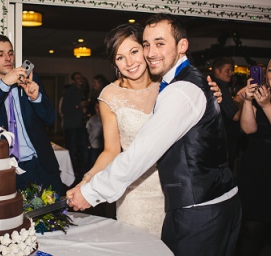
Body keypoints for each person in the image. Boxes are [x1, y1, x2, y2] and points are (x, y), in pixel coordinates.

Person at [67, 14, 240, 256]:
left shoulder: (176, 88)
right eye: (147, 45)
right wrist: (86, 181)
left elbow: (144, 151)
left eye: (139, 50)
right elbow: (112, 151)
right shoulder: (170, 83)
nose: (139, 57)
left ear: (181, 46)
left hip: (188, 201)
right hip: (141, 193)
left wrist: (91, 192)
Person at [0, 35, 63, 195]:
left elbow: (50, 119)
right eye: (0, 54)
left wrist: (36, 98)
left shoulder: (30, 80)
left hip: (43, 164)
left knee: (56, 216)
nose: (8, 58)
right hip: (10, 169)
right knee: (18, 218)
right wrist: (4, 84)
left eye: (10, 53)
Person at [235, 54, 271, 256]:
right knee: (251, 231)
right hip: (254, 170)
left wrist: (267, 106)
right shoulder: (260, 95)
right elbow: (248, 129)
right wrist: (248, 101)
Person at [211, 57, 242, 172]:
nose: (231, 73)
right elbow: (236, 116)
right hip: (225, 140)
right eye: (228, 70)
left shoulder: (219, 86)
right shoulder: (220, 87)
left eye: (231, 70)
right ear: (217, 71)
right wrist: (242, 100)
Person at [61, 71, 90, 179]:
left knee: (83, 150)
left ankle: (82, 173)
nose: (80, 79)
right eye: (77, 78)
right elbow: (64, 108)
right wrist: (78, 105)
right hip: (72, 126)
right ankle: (71, 174)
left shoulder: (82, 90)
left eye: (81, 77)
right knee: (72, 151)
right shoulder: (70, 91)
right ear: (73, 80)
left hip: (80, 125)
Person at [85, 102, 103, 172]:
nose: (98, 109)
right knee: (93, 164)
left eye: (99, 107)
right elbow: (87, 131)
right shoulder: (92, 119)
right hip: (94, 146)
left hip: (104, 146)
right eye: (96, 107)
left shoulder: (107, 118)